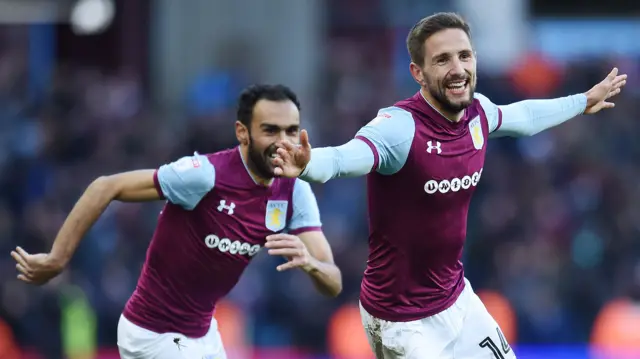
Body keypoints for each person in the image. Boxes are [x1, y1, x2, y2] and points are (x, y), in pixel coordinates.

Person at [271, 12, 626, 359]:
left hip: (457, 301)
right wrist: (308, 164)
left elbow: (525, 117)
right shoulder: (398, 128)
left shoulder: (479, 113)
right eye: (442, 60)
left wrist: (582, 102)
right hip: (400, 321)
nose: (457, 69)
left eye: (464, 56)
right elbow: (344, 158)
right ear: (418, 73)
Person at [11, 84, 342, 359]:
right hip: (150, 333)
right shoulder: (204, 176)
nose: (282, 141)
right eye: (270, 130)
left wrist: (311, 264)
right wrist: (57, 258)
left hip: (201, 333)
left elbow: (333, 281)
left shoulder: (295, 193)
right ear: (243, 133)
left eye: (291, 130)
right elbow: (105, 187)